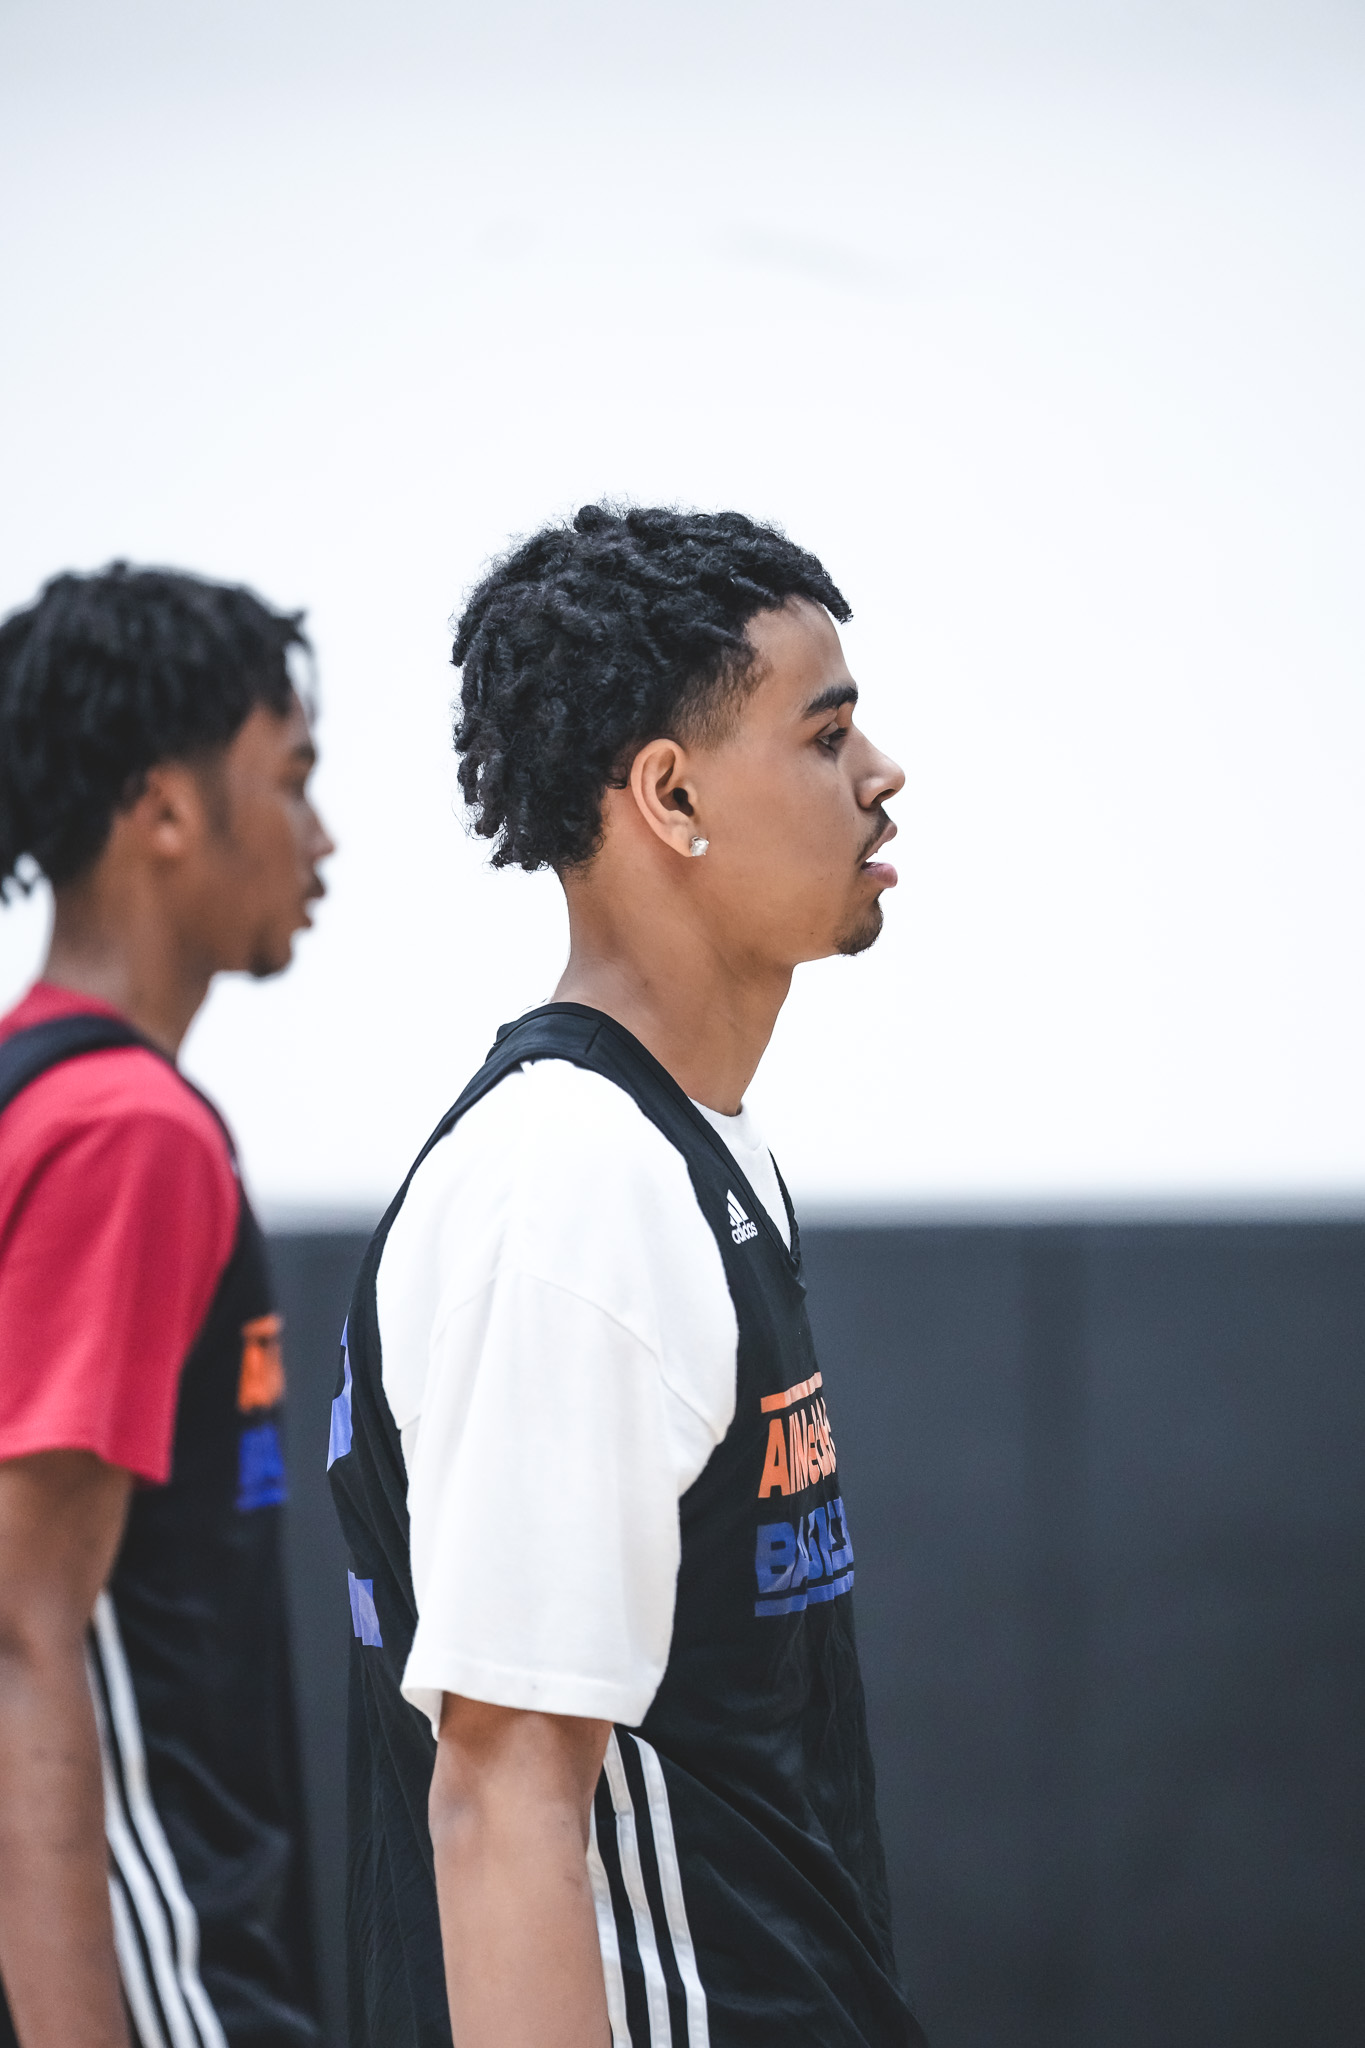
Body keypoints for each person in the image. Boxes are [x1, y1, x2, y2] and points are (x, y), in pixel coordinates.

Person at [328, 504, 926, 2047]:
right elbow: (503, 1806)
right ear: (670, 795)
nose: (880, 775)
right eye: (826, 736)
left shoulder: (693, 1150)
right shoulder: (569, 1185)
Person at [0, 564, 333, 2048]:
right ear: (165, 811)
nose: (321, 836)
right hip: (160, 1970)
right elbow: (21, 1635)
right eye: (293, 780)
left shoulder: (39, 1092)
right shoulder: (129, 1133)